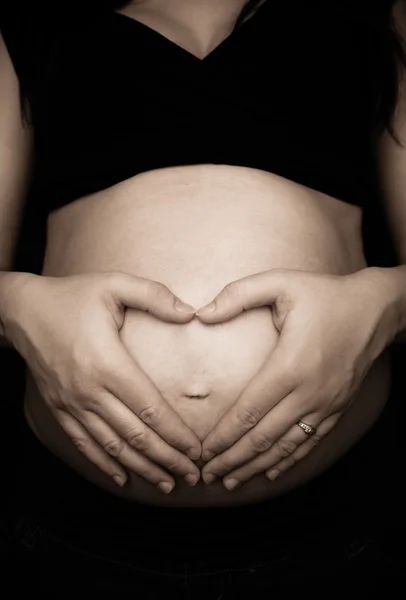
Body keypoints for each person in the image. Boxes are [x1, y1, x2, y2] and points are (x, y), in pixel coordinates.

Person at [1, 0, 406, 595]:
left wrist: (384, 303)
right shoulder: (28, 23)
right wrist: (16, 308)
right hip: (69, 528)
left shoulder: (377, 16)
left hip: (343, 521)